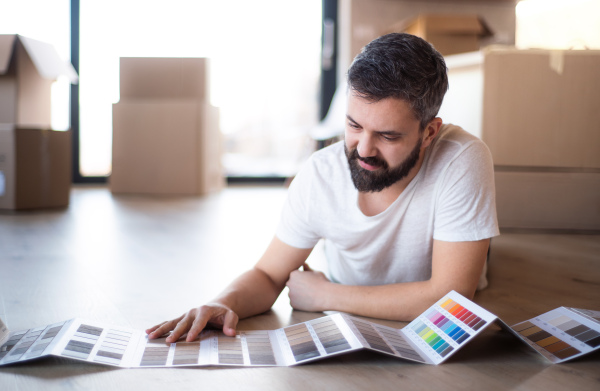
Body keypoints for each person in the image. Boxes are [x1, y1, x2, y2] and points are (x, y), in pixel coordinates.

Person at [146, 33, 499, 343]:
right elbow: (270, 274)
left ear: (429, 133)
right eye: (354, 125)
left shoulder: (462, 158)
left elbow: (451, 299)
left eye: (388, 135)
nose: (363, 149)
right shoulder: (320, 174)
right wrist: (225, 302)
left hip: (358, 299)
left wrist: (327, 295)